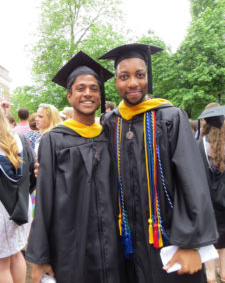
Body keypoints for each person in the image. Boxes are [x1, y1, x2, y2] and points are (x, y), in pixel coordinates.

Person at [99, 43, 218, 283]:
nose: (133, 83)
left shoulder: (170, 117)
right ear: (116, 82)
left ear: (148, 77)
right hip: (128, 245)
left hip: (170, 241)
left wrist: (192, 245)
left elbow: (193, 183)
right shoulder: (110, 122)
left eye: (139, 75)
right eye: (124, 76)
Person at [25, 51, 128, 283]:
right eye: (81, 88)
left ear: (101, 96)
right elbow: (44, 201)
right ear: (69, 95)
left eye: (94, 88)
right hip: (71, 246)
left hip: (111, 244)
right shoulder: (54, 140)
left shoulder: (109, 136)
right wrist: (40, 257)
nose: (88, 94)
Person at [0, 106, 36, 283]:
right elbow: (32, 175)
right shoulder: (20, 138)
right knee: (15, 253)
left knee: (1, 263)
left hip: (2, 210)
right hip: (22, 205)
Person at [197, 103, 225, 283]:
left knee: (208, 246)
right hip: (224, 203)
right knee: (223, 247)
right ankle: (223, 273)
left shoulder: (199, 145)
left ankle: (210, 277)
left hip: (206, 205)